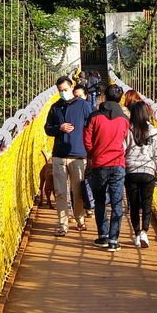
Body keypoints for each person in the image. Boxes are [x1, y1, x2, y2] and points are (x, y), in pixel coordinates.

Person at [44, 75, 93, 236]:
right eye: (60, 91)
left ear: (72, 87)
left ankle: (79, 219)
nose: (63, 93)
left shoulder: (84, 106)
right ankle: (62, 224)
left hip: (78, 155)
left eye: (65, 90)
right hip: (59, 155)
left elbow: (92, 127)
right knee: (60, 192)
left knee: (77, 191)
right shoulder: (55, 107)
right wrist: (60, 128)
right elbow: (47, 129)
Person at [83, 84, 130, 251]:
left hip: (99, 164)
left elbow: (87, 140)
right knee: (117, 201)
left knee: (100, 200)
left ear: (104, 96)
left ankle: (102, 236)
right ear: (120, 99)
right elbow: (125, 140)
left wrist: (93, 154)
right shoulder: (124, 120)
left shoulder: (94, 117)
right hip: (118, 164)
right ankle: (113, 239)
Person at [124, 100, 157, 248]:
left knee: (133, 204)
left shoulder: (128, 130)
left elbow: (123, 150)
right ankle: (144, 232)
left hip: (131, 171)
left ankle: (136, 233)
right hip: (148, 172)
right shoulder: (154, 132)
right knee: (147, 204)